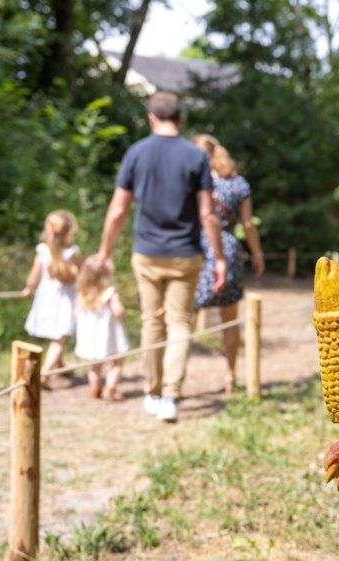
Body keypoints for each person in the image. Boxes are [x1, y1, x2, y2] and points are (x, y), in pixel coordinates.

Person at [95, 91, 226, 423]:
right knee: (179, 323)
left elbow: (118, 210)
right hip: (186, 254)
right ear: (181, 120)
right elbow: (208, 215)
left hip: (147, 253)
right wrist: (219, 257)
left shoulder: (136, 153)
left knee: (152, 322)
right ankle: (170, 396)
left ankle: (152, 392)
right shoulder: (195, 157)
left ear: (151, 118)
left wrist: (105, 250)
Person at [192, 134, 265, 394]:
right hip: (229, 248)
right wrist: (256, 254)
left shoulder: (193, 180)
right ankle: (230, 375)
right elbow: (247, 224)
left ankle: (173, 377)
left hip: (196, 247)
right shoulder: (238, 184)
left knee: (183, 316)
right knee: (229, 319)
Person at [21, 209, 82, 386]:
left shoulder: (43, 252)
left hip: (46, 300)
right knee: (59, 339)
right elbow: (83, 274)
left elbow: (33, 277)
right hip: (66, 301)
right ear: (70, 231)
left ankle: (60, 366)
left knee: (56, 337)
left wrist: (28, 289)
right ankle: (44, 374)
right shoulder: (73, 253)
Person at [75, 256, 129, 400]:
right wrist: (124, 311)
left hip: (92, 338)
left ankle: (95, 389)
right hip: (109, 336)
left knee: (95, 367)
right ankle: (110, 389)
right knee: (118, 362)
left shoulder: (83, 293)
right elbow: (119, 312)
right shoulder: (110, 292)